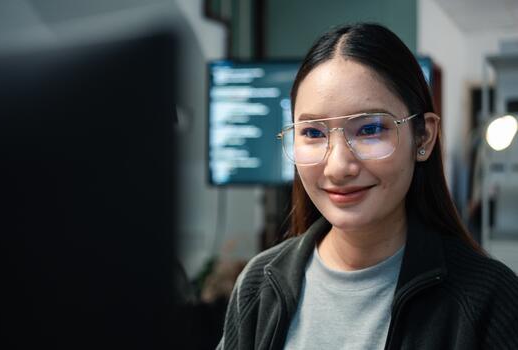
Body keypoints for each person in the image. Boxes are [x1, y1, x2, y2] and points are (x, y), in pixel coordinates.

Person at [216, 23, 518, 350]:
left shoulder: (489, 299)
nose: (338, 167)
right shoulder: (260, 285)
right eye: (313, 133)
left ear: (424, 136)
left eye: (370, 129)